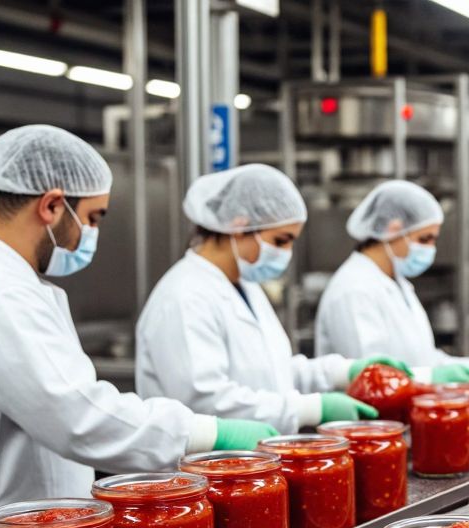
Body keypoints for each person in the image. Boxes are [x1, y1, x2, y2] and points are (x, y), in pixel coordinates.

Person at [0, 125, 277, 528]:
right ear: (52, 206)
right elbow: (80, 415)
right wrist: (209, 431)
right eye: (93, 218)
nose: (92, 233)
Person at [136, 164, 397, 433]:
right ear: (239, 227)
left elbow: (276, 372)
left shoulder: (245, 287)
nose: (287, 252)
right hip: (204, 469)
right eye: (281, 241)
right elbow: (205, 400)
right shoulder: (185, 296)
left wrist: (343, 371)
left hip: (253, 463)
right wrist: (310, 408)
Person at [315, 180, 469, 383]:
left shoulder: (397, 284)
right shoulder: (354, 290)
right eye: (424, 239)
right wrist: (431, 377)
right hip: (369, 413)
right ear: (393, 230)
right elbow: (371, 375)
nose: (431, 249)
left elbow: (420, 356)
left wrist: (457, 367)